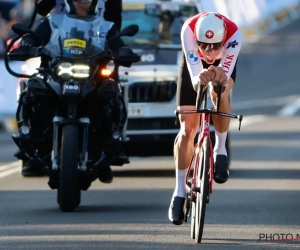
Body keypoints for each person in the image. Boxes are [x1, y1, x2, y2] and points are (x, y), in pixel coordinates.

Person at [16, 0, 138, 183]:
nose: (84, 2)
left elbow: (115, 34)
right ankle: (32, 149)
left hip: (93, 70)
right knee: (35, 89)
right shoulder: (53, 21)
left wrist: (122, 50)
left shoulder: (103, 24)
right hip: (56, 68)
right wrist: (27, 43)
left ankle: (106, 153)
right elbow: (36, 32)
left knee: (111, 91)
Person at [168, 12, 242, 225]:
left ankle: (220, 149)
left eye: (214, 46)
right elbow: (194, 77)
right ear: (197, 40)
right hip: (193, 66)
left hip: (224, 64)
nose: (209, 52)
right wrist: (200, 75)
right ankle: (179, 191)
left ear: (223, 39)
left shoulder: (233, 34)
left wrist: (218, 73)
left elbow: (224, 76)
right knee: (187, 129)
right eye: (204, 45)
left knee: (219, 91)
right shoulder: (188, 31)